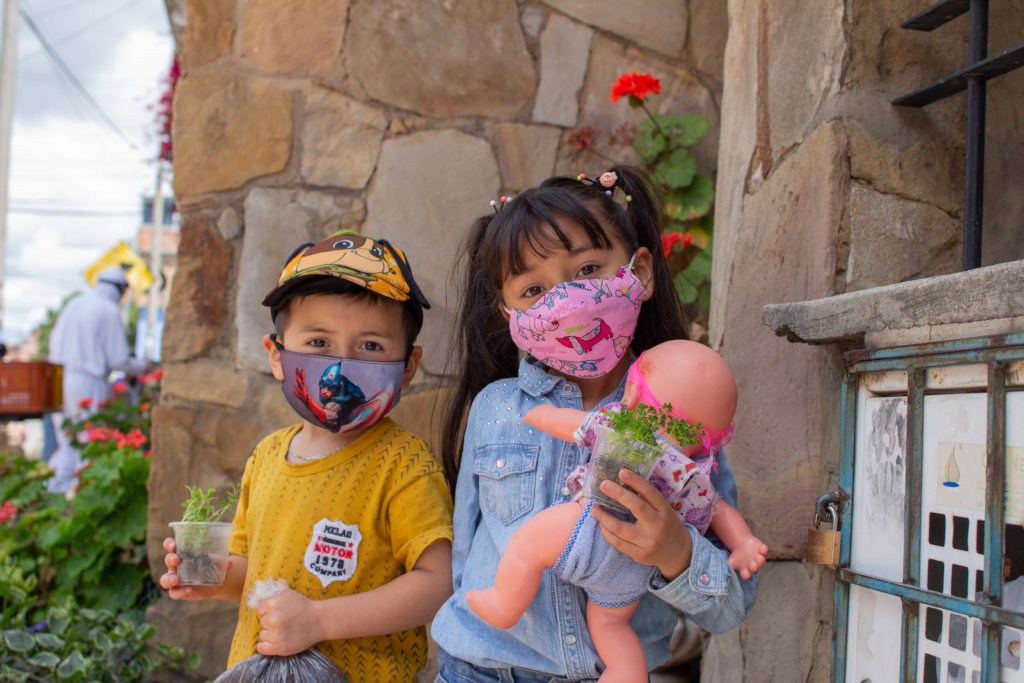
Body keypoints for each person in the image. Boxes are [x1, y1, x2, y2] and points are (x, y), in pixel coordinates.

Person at [431, 166, 758, 682]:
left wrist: (676, 551)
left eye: (586, 271)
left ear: (640, 273)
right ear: (509, 314)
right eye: (533, 290)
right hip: (482, 670)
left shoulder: (684, 422)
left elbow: (729, 607)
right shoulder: (495, 408)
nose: (566, 302)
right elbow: (466, 555)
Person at [159, 230, 455, 682]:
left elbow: (439, 582)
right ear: (277, 356)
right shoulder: (266, 456)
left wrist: (319, 621)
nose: (340, 366)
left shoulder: (404, 464)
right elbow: (251, 574)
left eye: (371, 346)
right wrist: (211, 575)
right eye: (318, 342)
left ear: (408, 367)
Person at [467, 340, 768, 682]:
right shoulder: (694, 477)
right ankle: (626, 671)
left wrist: (541, 416)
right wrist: (743, 544)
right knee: (612, 624)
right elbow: (719, 511)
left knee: (528, 543)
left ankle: (505, 603)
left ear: (636, 395)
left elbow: (576, 424)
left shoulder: (624, 429)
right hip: (632, 572)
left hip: (588, 528)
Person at [47, 265, 148, 491]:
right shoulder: (108, 310)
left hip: (61, 379)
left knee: (68, 442)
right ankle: (81, 493)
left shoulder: (75, 303)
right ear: (120, 289)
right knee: (91, 442)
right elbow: (119, 360)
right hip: (89, 383)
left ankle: (59, 492)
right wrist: (144, 367)